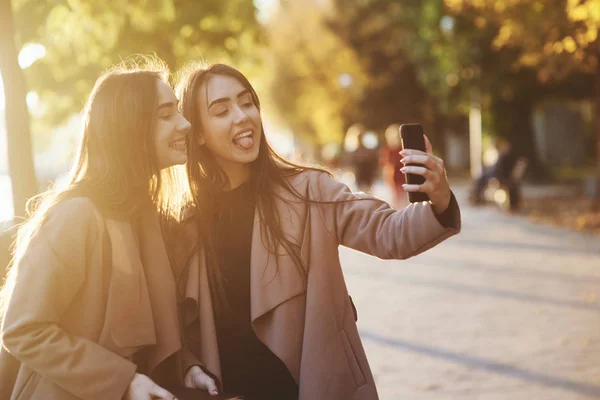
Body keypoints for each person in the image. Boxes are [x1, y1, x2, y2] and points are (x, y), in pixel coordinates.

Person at [171, 62, 461, 400]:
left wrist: (439, 200)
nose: (242, 116)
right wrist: (190, 367)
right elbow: (176, 323)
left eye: (247, 102)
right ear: (199, 133)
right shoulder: (186, 222)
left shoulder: (307, 190)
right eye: (221, 110)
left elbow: (388, 232)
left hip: (309, 386)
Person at [0, 60, 193, 400]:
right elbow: (22, 329)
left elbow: (149, 332)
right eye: (166, 115)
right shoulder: (75, 215)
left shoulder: (146, 215)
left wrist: (188, 369)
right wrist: (124, 382)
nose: (185, 124)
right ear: (129, 127)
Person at [471, 137, 518, 204]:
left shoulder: (505, 157)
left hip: (499, 177)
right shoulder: (506, 156)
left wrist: (495, 178)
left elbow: (499, 170)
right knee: (480, 179)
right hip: (497, 175)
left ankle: (477, 198)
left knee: (480, 179)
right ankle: (477, 197)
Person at [381, 123, 407, 208]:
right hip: (393, 175)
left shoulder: (402, 148)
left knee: (402, 197)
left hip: (402, 174)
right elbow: (385, 163)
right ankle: (398, 210)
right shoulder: (388, 149)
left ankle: (402, 210)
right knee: (396, 197)